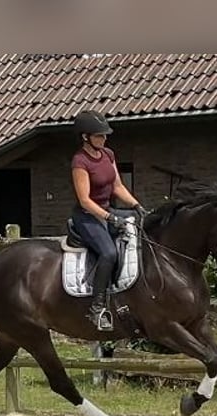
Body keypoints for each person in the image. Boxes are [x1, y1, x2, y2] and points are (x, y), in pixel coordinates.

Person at [70, 109, 148, 331]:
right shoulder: (80, 161)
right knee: (109, 253)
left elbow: (118, 186)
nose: (104, 139)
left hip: (107, 210)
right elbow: (85, 200)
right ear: (85, 137)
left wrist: (136, 206)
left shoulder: (108, 155)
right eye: (100, 135)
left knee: (144, 228)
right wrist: (110, 217)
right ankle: (96, 308)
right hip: (87, 217)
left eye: (105, 136)